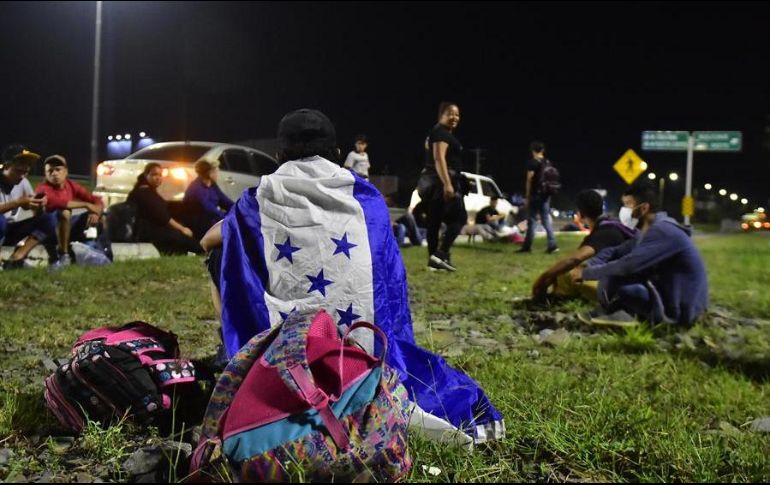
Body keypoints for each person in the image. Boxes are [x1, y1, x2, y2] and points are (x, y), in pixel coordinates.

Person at [201, 108, 504, 445]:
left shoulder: (259, 199)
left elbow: (207, 240)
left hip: (288, 351)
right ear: (337, 154)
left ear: (278, 156)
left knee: (222, 253)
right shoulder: (367, 200)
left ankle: (235, 353)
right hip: (364, 344)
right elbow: (390, 281)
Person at [573, 184, 709, 326]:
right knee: (611, 278)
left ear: (644, 208)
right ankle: (620, 310)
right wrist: (589, 264)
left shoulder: (663, 231)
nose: (623, 210)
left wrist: (586, 273)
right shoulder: (646, 231)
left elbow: (628, 266)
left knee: (615, 279)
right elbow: (616, 251)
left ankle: (635, 315)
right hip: (668, 295)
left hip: (683, 309)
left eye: (628, 205)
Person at [531, 189, 636, 301]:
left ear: (580, 214)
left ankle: (557, 299)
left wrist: (542, 279)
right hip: (629, 275)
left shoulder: (606, 231)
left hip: (628, 284)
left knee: (568, 275)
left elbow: (574, 259)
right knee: (566, 270)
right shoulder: (612, 225)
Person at [35, 154, 111, 266]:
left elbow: (96, 200)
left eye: (58, 170)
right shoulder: (42, 188)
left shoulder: (70, 185)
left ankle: (103, 253)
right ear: (45, 174)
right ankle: (63, 255)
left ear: (66, 171)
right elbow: (57, 202)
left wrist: (95, 212)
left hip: (68, 228)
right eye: (50, 171)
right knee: (64, 212)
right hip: (47, 233)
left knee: (102, 216)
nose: (54, 173)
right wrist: (86, 205)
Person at [417, 102, 466, 272]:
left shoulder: (436, 132)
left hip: (434, 182)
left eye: (457, 114)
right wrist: (447, 184)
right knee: (459, 219)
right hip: (440, 183)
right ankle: (441, 253)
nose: (455, 117)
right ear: (441, 115)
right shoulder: (441, 133)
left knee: (434, 221)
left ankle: (434, 260)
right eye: (450, 113)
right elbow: (439, 159)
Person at [127, 163, 203, 255]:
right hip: (149, 232)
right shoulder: (144, 193)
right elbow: (163, 217)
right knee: (185, 240)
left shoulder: (149, 191)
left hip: (154, 229)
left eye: (160, 175)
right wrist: (182, 229)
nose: (158, 178)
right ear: (146, 175)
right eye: (154, 174)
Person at [0, 146, 56, 270]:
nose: (22, 176)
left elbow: (36, 212)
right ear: (6, 166)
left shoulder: (23, 182)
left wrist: (40, 205)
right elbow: (19, 203)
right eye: (18, 171)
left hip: (9, 231)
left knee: (49, 217)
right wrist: (18, 202)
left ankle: (17, 258)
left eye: (25, 172)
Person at [518, 141, 558, 254]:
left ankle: (527, 246)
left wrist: (527, 195)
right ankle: (552, 244)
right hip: (546, 195)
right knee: (546, 220)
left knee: (532, 221)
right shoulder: (548, 162)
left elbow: (529, 179)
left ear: (532, 151)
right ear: (542, 150)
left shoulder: (532, 163)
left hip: (536, 195)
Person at [182, 159, 234, 240]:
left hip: (210, 220)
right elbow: (208, 208)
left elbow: (225, 201)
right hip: (198, 223)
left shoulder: (212, 185)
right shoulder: (196, 188)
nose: (217, 174)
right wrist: (226, 219)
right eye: (216, 172)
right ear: (209, 173)